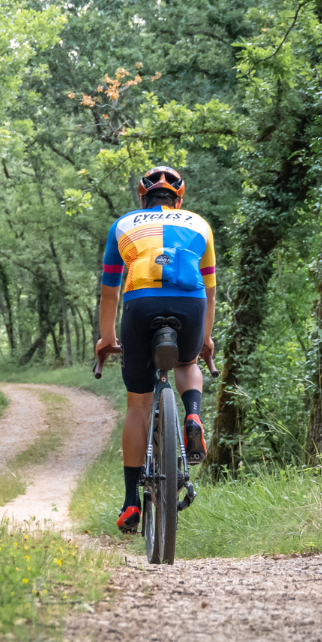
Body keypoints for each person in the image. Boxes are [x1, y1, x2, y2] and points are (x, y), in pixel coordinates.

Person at [96, 166, 216, 534]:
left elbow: (109, 293)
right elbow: (211, 291)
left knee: (138, 405)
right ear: (179, 199)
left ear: (141, 196)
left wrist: (106, 339)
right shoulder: (199, 224)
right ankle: (193, 415)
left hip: (141, 303)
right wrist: (205, 339)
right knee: (188, 362)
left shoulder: (122, 224)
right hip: (190, 303)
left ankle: (131, 502)